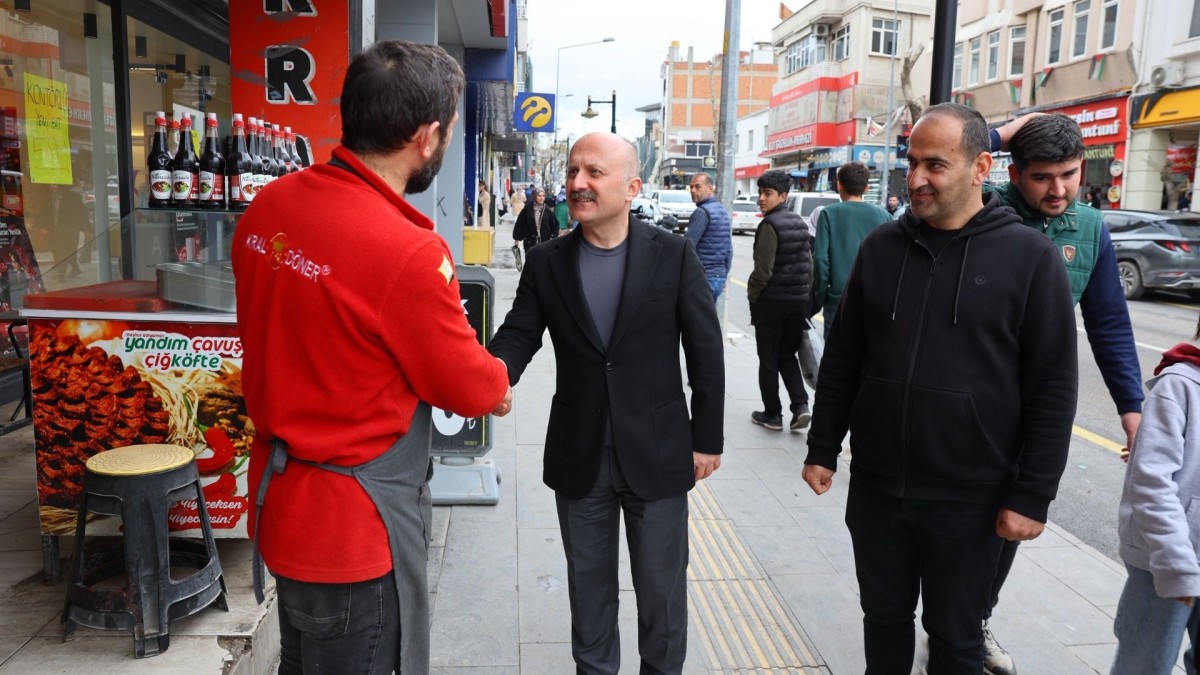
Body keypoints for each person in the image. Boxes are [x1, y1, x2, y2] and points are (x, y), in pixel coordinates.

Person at [231, 40, 513, 675]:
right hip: (354, 535)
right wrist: (499, 383)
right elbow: (469, 388)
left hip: (282, 505)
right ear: (427, 136)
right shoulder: (406, 251)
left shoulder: (268, 209)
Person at [802, 103, 1079, 672]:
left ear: (981, 167)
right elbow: (846, 356)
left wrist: (1032, 495)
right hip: (879, 488)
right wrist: (822, 445)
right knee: (882, 619)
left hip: (972, 498)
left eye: (936, 164)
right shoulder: (882, 247)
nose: (918, 178)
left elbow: (1053, 386)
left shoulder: (1030, 258)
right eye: (912, 163)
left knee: (956, 638)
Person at [488, 132, 724, 674]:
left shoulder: (673, 254)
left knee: (662, 600)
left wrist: (707, 439)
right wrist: (494, 377)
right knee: (589, 596)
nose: (577, 184)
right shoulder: (547, 261)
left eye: (593, 173)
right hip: (580, 455)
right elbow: (519, 335)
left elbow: (706, 353)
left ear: (632, 186)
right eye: (573, 172)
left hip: (660, 453)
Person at [978, 112, 1145, 675]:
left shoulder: (1091, 227)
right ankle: (947, 616)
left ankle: (972, 619)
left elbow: (1109, 324)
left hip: (1036, 407)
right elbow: (941, 147)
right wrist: (1010, 127)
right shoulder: (981, 208)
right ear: (1014, 173)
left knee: (1012, 518)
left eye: (1070, 175)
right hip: (966, 398)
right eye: (1043, 177)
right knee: (958, 517)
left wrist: (1131, 408)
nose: (1059, 190)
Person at [1109, 316, 1200, 675]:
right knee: (1145, 662)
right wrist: (1176, 565)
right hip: (1163, 558)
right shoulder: (1179, 386)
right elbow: (1151, 483)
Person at [748, 169, 813, 432]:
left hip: (772, 302)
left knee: (768, 358)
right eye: (760, 193)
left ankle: (772, 414)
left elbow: (763, 270)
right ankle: (800, 406)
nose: (762, 198)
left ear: (782, 196)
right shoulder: (799, 222)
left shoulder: (770, 225)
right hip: (797, 302)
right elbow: (809, 266)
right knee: (788, 355)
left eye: (768, 194)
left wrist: (753, 296)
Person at [812, 161, 892, 337]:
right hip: (875, 298)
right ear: (867, 188)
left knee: (836, 357)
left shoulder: (828, 214)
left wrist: (824, 293)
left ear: (839, 185)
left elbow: (820, 259)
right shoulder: (885, 216)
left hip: (839, 296)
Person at [685, 172, 733, 301]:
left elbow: (688, 245)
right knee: (708, 318)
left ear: (710, 188)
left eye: (698, 186)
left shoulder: (702, 212)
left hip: (703, 277)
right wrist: (723, 276)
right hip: (718, 278)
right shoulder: (722, 211)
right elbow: (728, 250)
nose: (693, 191)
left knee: (695, 319)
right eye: (691, 187)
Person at [511, 186, 558, 253]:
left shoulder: (547, 210)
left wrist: (553, 236)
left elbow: (554, 224)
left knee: (542, 262)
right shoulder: (527, 208)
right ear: (534, 196)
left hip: (544, 242)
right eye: (539, 196)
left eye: (543, 196)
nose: (541, 198)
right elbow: (520, 223)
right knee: (530, 261)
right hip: (530, 241)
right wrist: (517, 238)